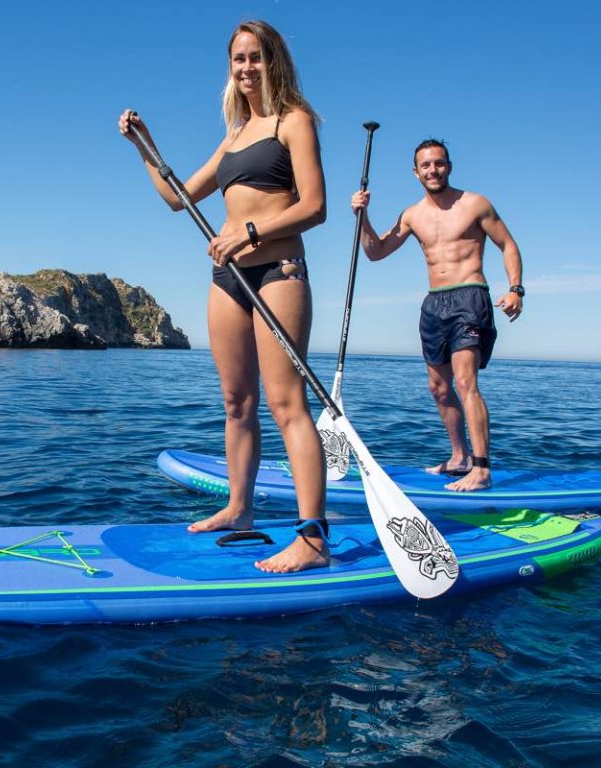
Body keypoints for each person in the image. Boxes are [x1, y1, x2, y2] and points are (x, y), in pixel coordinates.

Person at [119, 20, 328, 572]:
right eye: (238, 59)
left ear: (273, 61)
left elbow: (315, 206)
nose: (246, 68)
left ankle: (312, 538)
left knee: (287, 406)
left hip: (278, 272)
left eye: (255, 57)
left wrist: (251, 232)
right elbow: (177, 197)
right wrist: (145, 147)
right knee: (237, 404)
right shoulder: (234, 136)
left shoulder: (294, 122)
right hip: (228, 282)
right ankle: (239, 509)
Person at [351, 139, 524, 492]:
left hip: (470, 297)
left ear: (449, 166)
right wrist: (363, 218)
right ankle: (459, 457)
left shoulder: (475, 204)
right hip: (434, 304)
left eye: (439, 163)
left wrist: (515, 289)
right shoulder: (413, 214)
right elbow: (376, 252)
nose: (433, 170)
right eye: (426, 165)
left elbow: (508, 244)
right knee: (439, 388)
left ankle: (481, 469)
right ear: (416, 173)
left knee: (465, 383)